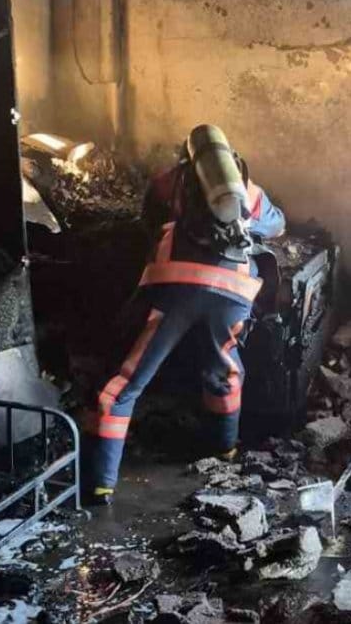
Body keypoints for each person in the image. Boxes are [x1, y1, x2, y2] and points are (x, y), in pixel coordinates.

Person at [86, 124, 286, 505]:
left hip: (173, 289)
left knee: (129, 380)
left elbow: (147, 221)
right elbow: (277, 224)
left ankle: (100, 481)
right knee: (224, 370)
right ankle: (224, 451)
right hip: (232, 292)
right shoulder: (245, 189)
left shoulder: (169, 182)